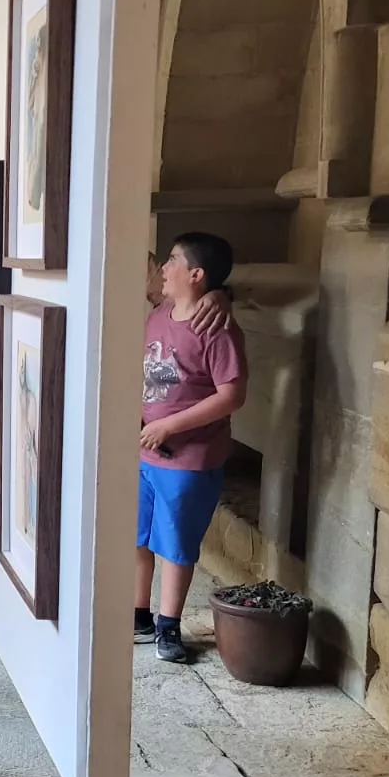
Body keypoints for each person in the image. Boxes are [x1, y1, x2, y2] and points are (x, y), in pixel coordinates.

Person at [138, 233, 248, 663]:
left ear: (196, 275)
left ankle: (169, 624)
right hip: (146, 449)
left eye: (172, 261)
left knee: (176, 542)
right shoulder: (159, 312)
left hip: (188, 457)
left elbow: (231, 394)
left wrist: (169, 426)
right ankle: (139, 613)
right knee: (139, 536)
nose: (164, 269)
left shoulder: (216, 327)